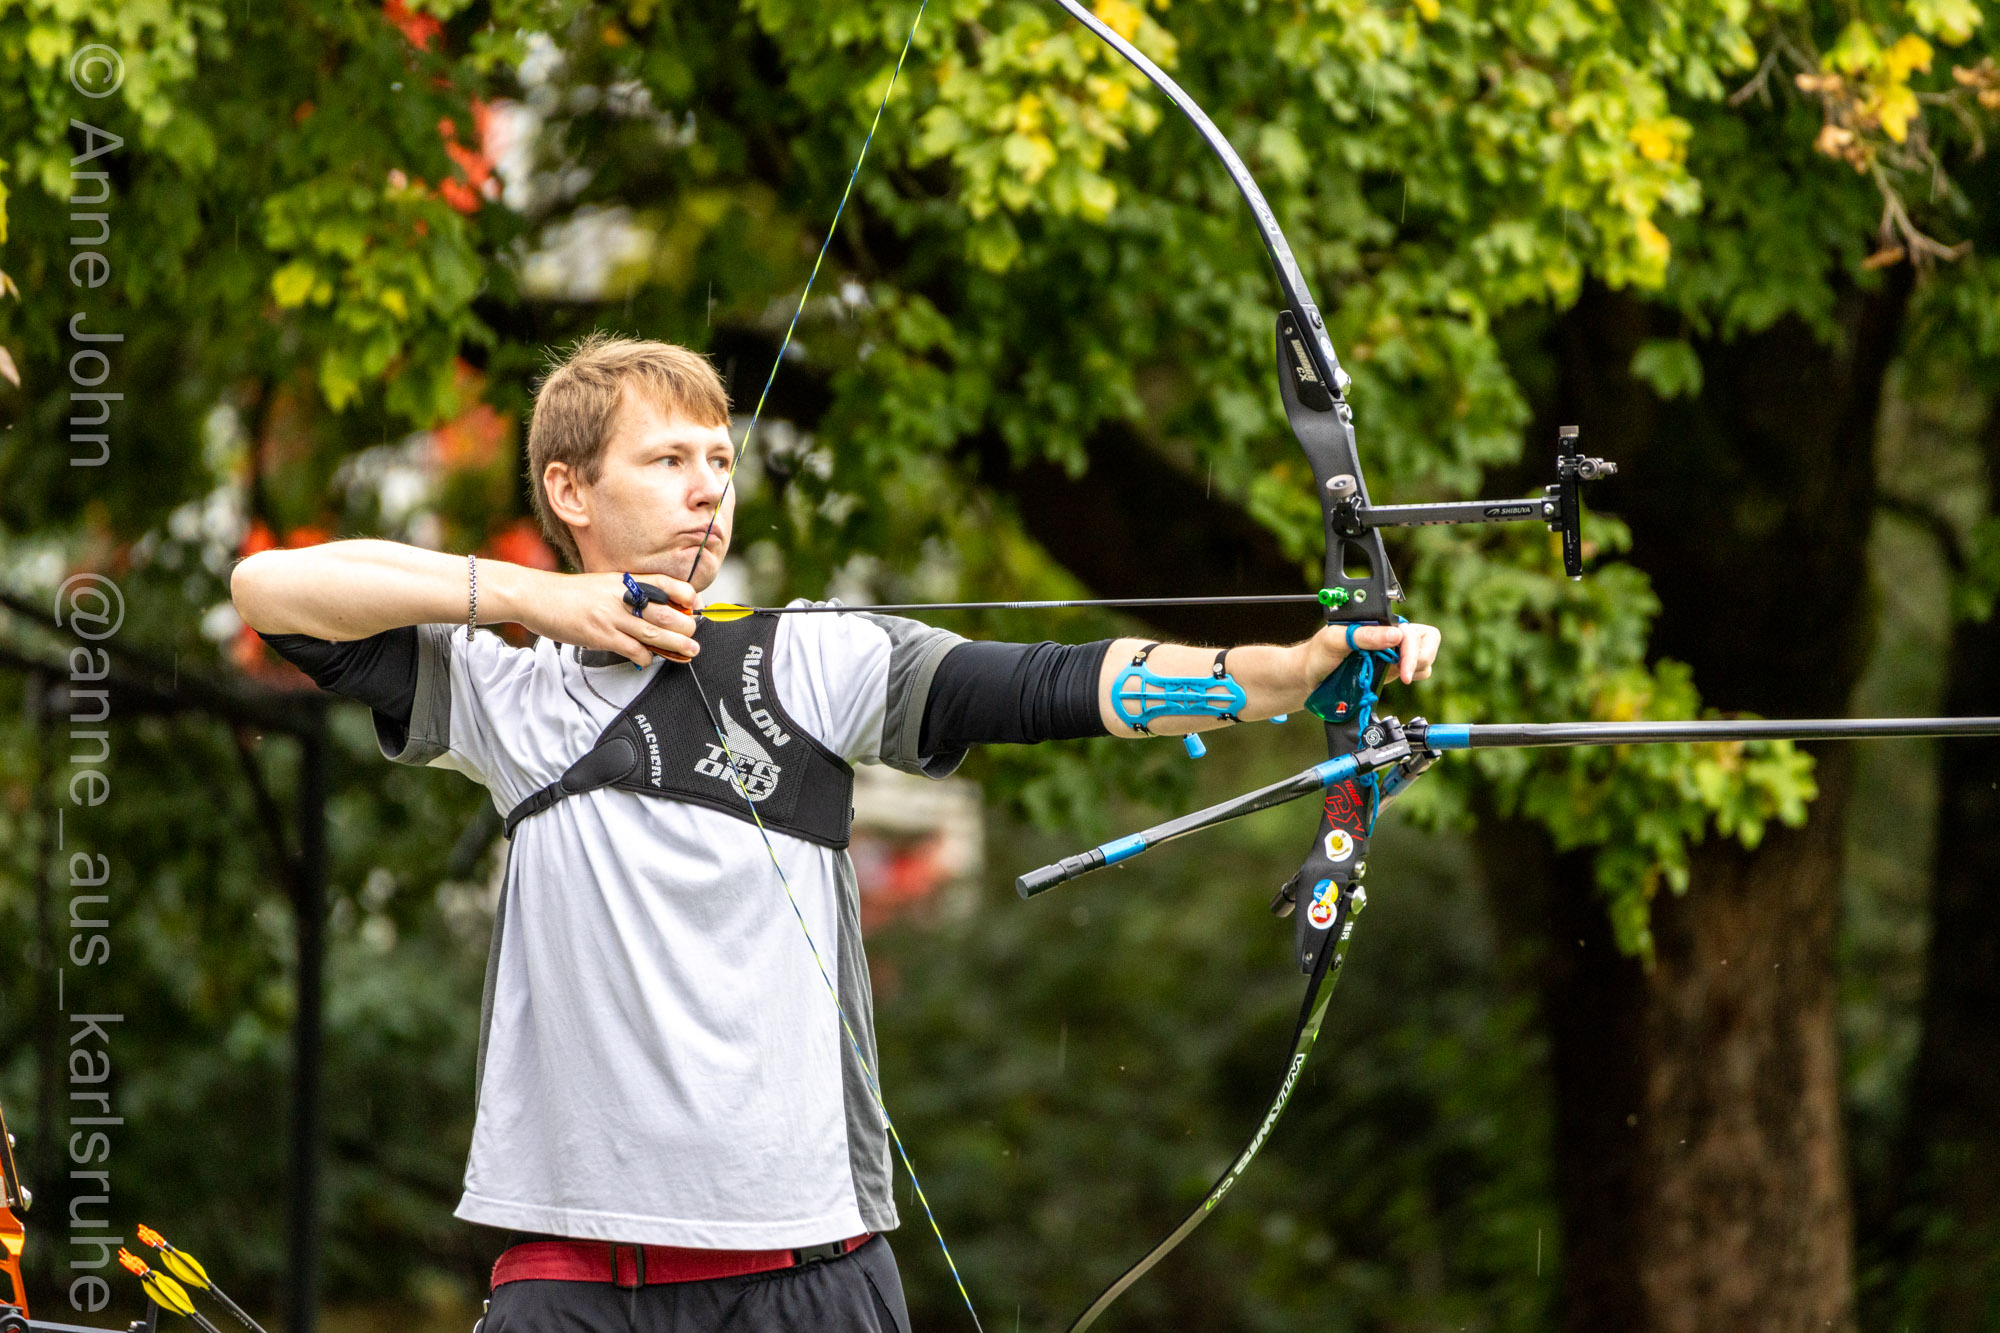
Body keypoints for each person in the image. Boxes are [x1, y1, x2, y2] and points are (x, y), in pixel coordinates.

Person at [229, 333, 1441, 1333]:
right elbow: (272, 594)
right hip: (575, 1277)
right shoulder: (510, 691)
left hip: (806, 1272)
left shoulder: (803, 659)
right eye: (667, 458)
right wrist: (532, 598)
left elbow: (1044, 683)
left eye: (720, 458)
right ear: (569, 491)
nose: (708, 487)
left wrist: (1282, 674)